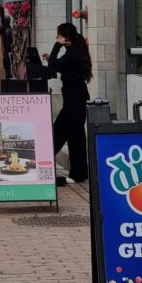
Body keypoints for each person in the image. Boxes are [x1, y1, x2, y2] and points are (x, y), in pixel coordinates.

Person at [42, 22, 92, 185]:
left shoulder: (73, 53)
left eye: (58, 35)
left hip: (75, 101)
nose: (56, 38)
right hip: (73, 100)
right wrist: (54, 56)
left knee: (74, 136)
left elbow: (54, 66)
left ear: (65, 37)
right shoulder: (73, 51)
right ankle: (46, 162)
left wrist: (57, 46)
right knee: (62, 132)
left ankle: (78, 174)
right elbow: (60, 65)